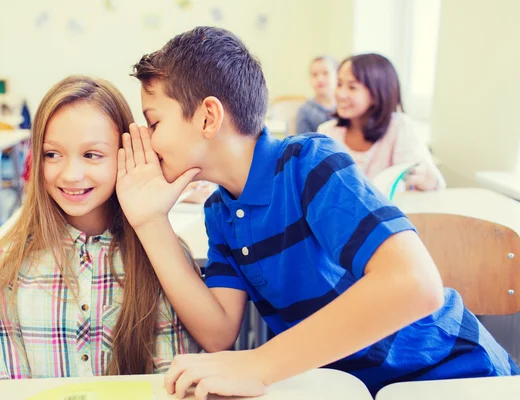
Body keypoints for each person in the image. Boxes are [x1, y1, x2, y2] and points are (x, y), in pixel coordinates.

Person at [117, 26, 519, 399]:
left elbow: (416, 284)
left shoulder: (309, 163)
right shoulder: (220, 211)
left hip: (452, 374)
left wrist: (261, 362)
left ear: (208, 116)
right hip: (352, 387)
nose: (147, 141)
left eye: (153, 123)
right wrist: (150, 222)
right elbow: (219, 330)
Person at [0, 75, 200, 380]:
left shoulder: (161, 260)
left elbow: (172, 383)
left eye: (91, 155)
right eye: (52, 154)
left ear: (127, 154)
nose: (71, 174)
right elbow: (6, 387)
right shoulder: (5, 268)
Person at [318, 53, 445, 190]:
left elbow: (437, 185)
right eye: (339, 84)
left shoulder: (398, 127)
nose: (340, 94)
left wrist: (423, 178)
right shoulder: (327, 132)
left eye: (352, 87)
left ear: (376, 93)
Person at [295, 55, 338, 134]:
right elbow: (303, 142)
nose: (320, 79)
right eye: (314, 75)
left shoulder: (344, 107)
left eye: (325, 73)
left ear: (337, 76)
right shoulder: (305, 111)